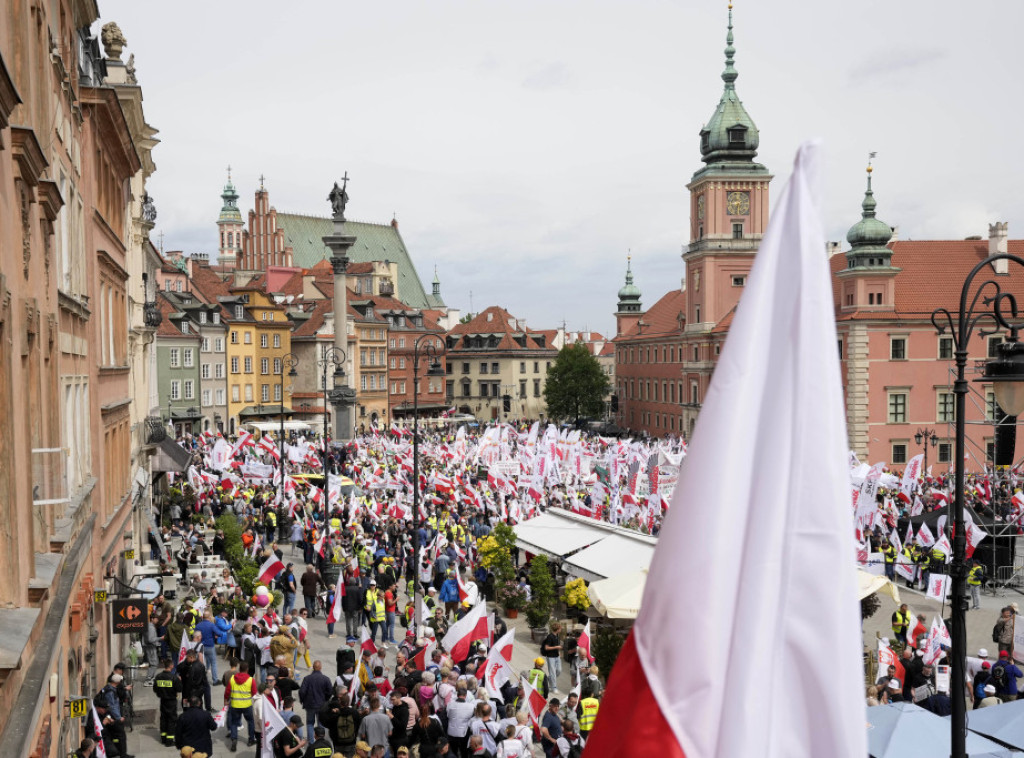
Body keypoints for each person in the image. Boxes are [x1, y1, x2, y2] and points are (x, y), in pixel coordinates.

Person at [226, 660, 258, 751]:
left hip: (235, 705)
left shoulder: (232, 679)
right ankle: (251, 739)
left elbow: (227, 692)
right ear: (247, 670)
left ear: (239, 669)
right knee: (251, 721)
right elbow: (254, 693)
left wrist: (225, 700)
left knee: (234, 722)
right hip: (247, 705)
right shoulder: (251, 680)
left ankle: (234, 739)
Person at [299, 661, 334, 742]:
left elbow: (302, 692)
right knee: (321, 724)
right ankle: (321, 741)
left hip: (310, 705)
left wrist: (303, 701)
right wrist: (326, 700)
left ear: (313, 667)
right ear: (320, 667)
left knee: (310, 723)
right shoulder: (325, 679)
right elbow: (330, 691)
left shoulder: (307, 679)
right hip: (321, 705)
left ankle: (311, 742)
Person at [154, 657, 183, 746]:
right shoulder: (174, 678)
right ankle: (169, 741)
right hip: (171, 701)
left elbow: (155, 689)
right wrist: (179, 681)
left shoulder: (158, 677)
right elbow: (179, 689)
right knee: (171, 719)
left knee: (163, 718)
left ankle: (163, 738)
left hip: (163, 700)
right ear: (171, 666)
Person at [541, 623, 563, 692]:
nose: (561, 629)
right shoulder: (550, 637)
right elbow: (546, 647)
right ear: (557, 629)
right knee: (552, 672)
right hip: (551, 657)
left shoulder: (557, 635)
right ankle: (554, 687)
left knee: (559, 670)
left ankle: (549, 678)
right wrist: (556, 647)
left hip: (557, 656)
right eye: (560, 628)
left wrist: (559, 652)